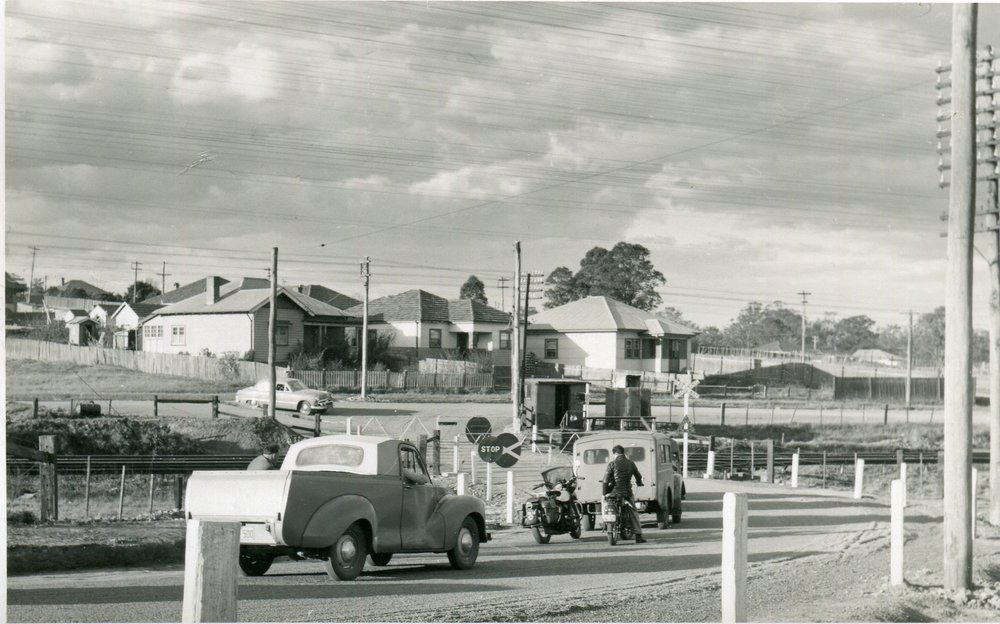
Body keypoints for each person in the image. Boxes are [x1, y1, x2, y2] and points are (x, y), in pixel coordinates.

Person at [603, 444, 646, 543]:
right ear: (623, 453)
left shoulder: (611, 464)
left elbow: (605, 480)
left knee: (605, 503)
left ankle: (605, 521)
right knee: (633, 512)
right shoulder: (631, 463)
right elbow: (638, 476)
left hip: (615, 493)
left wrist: (605, 493)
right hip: (627, 492)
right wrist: (639, 483)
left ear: (615, 453)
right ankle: (638, 535)